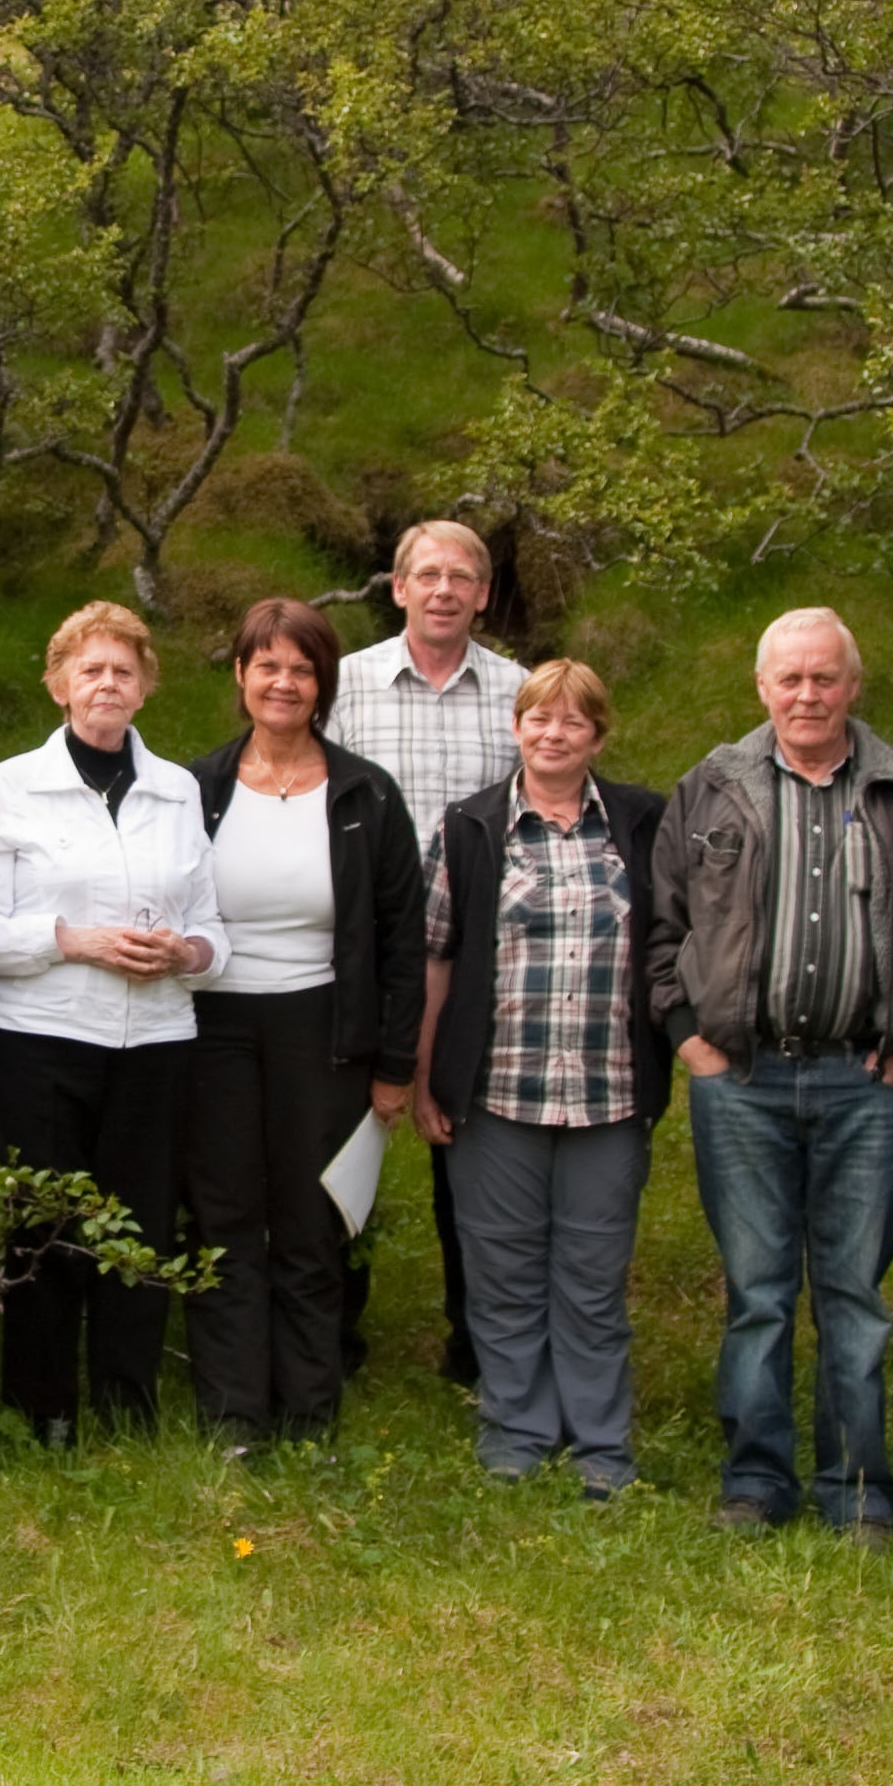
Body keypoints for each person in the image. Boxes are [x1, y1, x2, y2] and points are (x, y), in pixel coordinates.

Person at [651, 606, 893, 1549]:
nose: (807, 694)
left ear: (854, 684)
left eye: (824, 677)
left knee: (854, 1293)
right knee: (757, 1291)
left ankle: (857, 1490)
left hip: (864, 1085)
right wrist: (691, 1043)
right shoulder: (711, 788)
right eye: (790, 678)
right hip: (742, 1082)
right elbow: (662, 927)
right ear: (762, 686)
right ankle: (756, 1481)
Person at [0, 601, 225, 1445]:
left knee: (139, 1221)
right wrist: (72, 939)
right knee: (50, 1222)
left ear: (145, 689)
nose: (108, 683)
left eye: (124, 671)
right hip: (38, 1042)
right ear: (59, 684)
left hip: (158, 1045)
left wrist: (186, 954)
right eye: (91, 669)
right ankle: (43, 1405)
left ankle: (126, 1400)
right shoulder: (10, 786)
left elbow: (220, 933)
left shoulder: (178, 790)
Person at [416, 661, 669, 1499]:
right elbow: (438, 960)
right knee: (503, 1274)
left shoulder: (640, 824)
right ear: (516, 727)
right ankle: (518, 1429)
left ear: (598, 735)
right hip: (497, 1093)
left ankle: (601, 1442)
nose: (553, 733)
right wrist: (424, 1077)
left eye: (573, 721)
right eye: (539, 718)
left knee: (594, 1280)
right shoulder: (470, 828)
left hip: (609, 1092)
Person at [179, 599, 423, 1445]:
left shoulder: (366, 794)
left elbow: (401, 937)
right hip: (212, 1029)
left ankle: (309, 1408)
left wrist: (394, 1065)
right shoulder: (196, 787)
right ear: (240, 676)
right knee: (225, 1217)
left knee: (314, 1222)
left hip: (325, 1030)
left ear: (324, 684)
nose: (283, 682)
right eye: (267, 665)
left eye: (302, 668)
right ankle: (233, 1413)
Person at [325, 519, 526, 1382]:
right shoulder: (346, 685)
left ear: (484, 593)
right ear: (397, 587)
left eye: (463, 577)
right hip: (359, 943)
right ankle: (333, 1334)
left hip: (483, 952)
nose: (444, 590)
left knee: (468, 1147)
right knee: (344, 1139)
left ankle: (476, 1343)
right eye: (427, 575)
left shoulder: (520, 694)